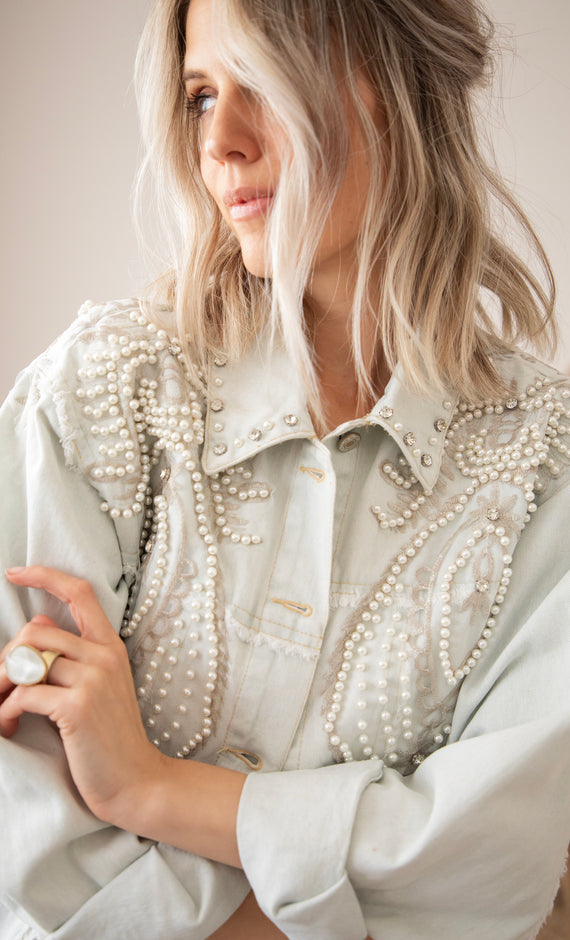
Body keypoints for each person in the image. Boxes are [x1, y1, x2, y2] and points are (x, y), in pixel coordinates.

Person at [0, 0, 568, 937]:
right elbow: (31, 857)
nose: (218, 142)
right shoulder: (97, 397)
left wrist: (149, 790)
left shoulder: (545, 461)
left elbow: (498, 862)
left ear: (396, 84)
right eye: (200, 95)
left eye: (261, 82)